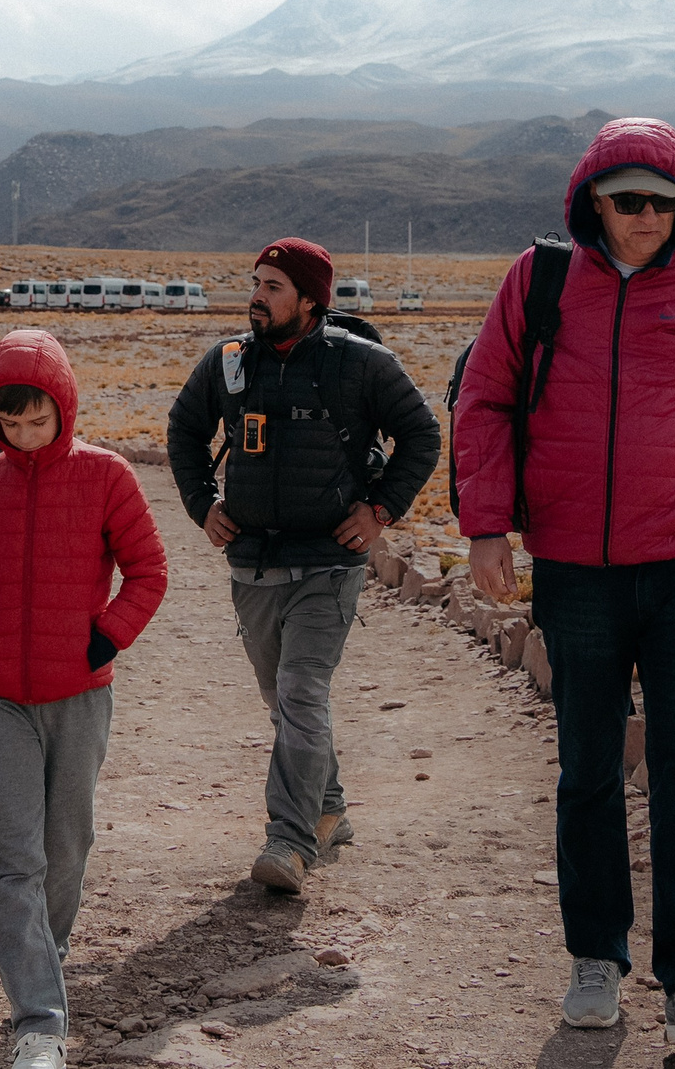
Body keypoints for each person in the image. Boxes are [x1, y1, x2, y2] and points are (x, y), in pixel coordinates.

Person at [453, 118, 675, 1045]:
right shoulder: (543, 278)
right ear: (591, 199)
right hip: (576, 569)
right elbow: (484, 399)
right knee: (590, 768)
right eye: (628, 198)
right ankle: (595, 956)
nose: (646, 216)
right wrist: (486, 524)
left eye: (662, 201)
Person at [165, 237, 441, 895]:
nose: (257, 296)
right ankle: (327, 807)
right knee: (284, 699)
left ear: (311, 300)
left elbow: (423, 433)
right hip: (253, 566)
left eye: (274, 286)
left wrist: (380, 511)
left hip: (328, 564)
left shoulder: (360, 364)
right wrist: (203, 503)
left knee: (299, 691)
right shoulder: (230, 363)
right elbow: (183, 429)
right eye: (256, 282)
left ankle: (288, 842)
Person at [0, 331, 168, 1069]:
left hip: (79, 692)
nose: (27, 435)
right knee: (11, 858)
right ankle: (38, 1022)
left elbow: (148, 571)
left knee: (66, 845)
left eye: (39, 420)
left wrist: (106, 638)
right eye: (12, 423)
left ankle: (43, 949)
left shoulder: (106, 475)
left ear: (63, 407)